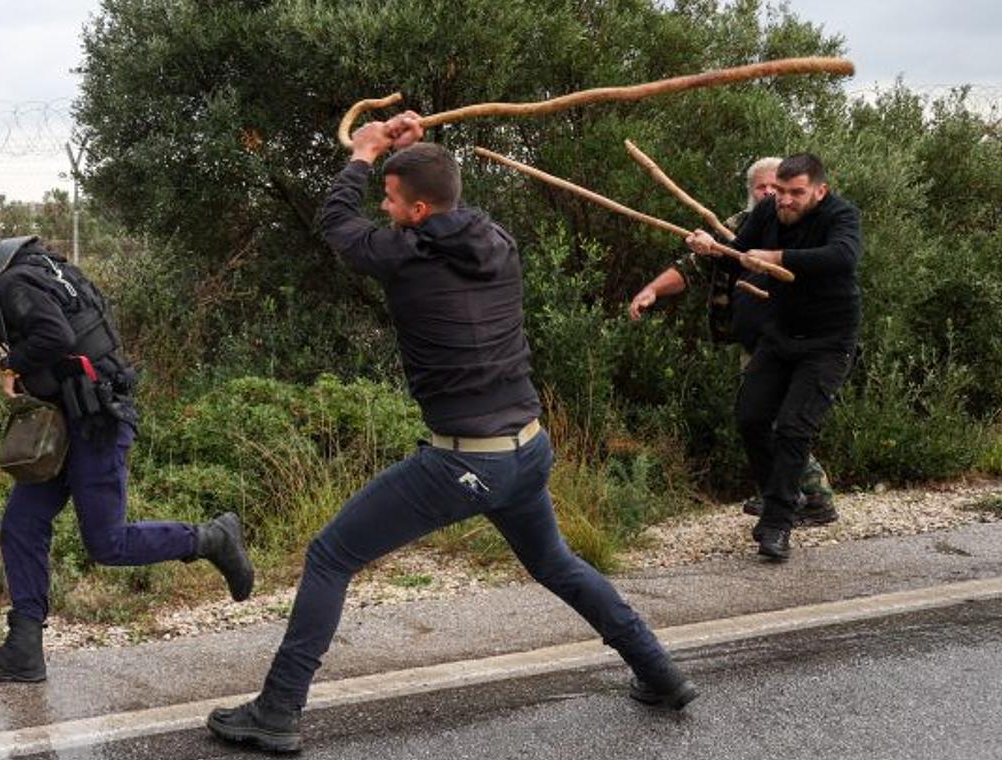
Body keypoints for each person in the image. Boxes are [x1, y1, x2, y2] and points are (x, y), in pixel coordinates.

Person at [206, 116, 697, 754]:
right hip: (527, 448)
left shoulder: (404, 257)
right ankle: (659, 672)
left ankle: (276, 711)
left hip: (467, 463)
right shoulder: (497, 239)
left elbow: (336, 223)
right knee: (555, 563)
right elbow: (449, 202)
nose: (381, 209)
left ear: (414, 210)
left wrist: (362, 155)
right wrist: (409, 153)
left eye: (390, 200)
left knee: (331, 555)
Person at [0, 229, 255, 682]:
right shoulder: (32, 272)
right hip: (69, 416)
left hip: (97, 420)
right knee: (22, 523)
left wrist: (10, 363)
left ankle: (212, 538)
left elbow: (54, 337)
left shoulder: (15, 284)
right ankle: (24, 649)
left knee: (107, 543)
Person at [629, 158, 837, 526]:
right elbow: (692, 267)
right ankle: (780, 493)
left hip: (801, 341)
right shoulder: (738, 228)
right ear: (751, 192)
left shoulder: (809, 226)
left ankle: (813, 498)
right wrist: (652, 291)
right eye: (763, 187)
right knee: (757, 417)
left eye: (778, 187)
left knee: (782, 419)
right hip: (757, 343)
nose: (771, 194)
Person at [680, 153, 861, 561]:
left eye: (796, 193)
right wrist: (711, 249)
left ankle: (777, 524)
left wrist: (777, 258)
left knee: (794, 428)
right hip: (779, 336)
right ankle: (787, 495)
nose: (785, 201)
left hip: (828, 342)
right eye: (780, 191)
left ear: (820, 191)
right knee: (751, 416)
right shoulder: (767, 210)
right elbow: (741, 252)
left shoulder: (841, 215)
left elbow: (842, 257)